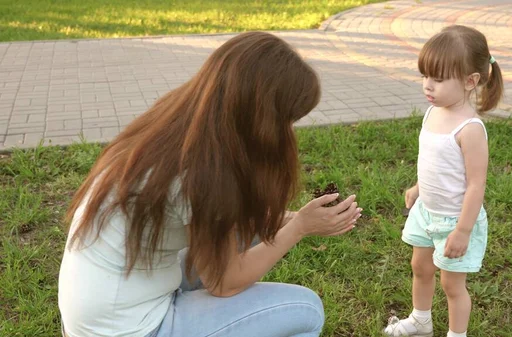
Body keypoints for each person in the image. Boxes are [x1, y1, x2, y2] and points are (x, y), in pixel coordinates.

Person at [58, 31, 362, 337]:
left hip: (103, 308)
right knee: (306, 311)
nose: (289, 132)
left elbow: (224, 228)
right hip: (128, 328)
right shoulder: (199, 172)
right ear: (262, 117)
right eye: (287, 120)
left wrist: (290, 219)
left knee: (250, 238)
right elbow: (225, 283)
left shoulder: (178, 126)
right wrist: (300, 229)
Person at [384, 25, 504, 337]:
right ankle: (421, 320)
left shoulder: (470, 129)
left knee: (452, 284)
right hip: (426, 213)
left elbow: (476, 184)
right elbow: (437, 163)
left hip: (456, 220)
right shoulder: (431, 113)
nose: (428, 85)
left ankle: (456, 334)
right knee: (420, 268)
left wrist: (463, 231)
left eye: (438, 79)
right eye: (425, 76)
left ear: (470, 81)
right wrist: (419, 187)